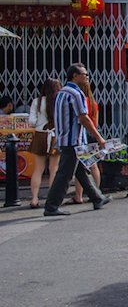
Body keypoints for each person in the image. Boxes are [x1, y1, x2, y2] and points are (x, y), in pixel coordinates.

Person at [43, 64, 110, 217]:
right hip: (73, 141)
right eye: (84, 74)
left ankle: (97, 198)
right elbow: (83, 118)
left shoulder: (62, 92)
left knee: (81, 171)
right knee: (64, 175)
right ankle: (51, 206)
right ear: (75, 75)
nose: (87, 78)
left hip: (66, 140)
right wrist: (99, 137)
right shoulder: (75, 93)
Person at [28, 79, 62, 209]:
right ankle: (51, 198)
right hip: (55, 135)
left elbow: (31, 121)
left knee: (38, 169)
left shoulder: (37, 101)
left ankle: (34, 199)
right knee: (54, 169)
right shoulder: (59, 101)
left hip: (40, 135)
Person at [73, 81, 102, 204]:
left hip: (82, 134)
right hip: (93, 134)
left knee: (80, 166)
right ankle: (96, 191)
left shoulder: (79, 101)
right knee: (93, 165)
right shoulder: (93, 103)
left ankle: (78, 195)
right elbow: (95, 121)